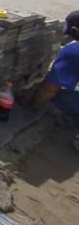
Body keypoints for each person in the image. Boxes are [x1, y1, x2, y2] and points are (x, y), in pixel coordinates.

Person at [28, 10, 79, 150]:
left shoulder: (74, 51)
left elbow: (50, 88)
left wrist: (32, 107)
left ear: (75, 30)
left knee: (56, 92)